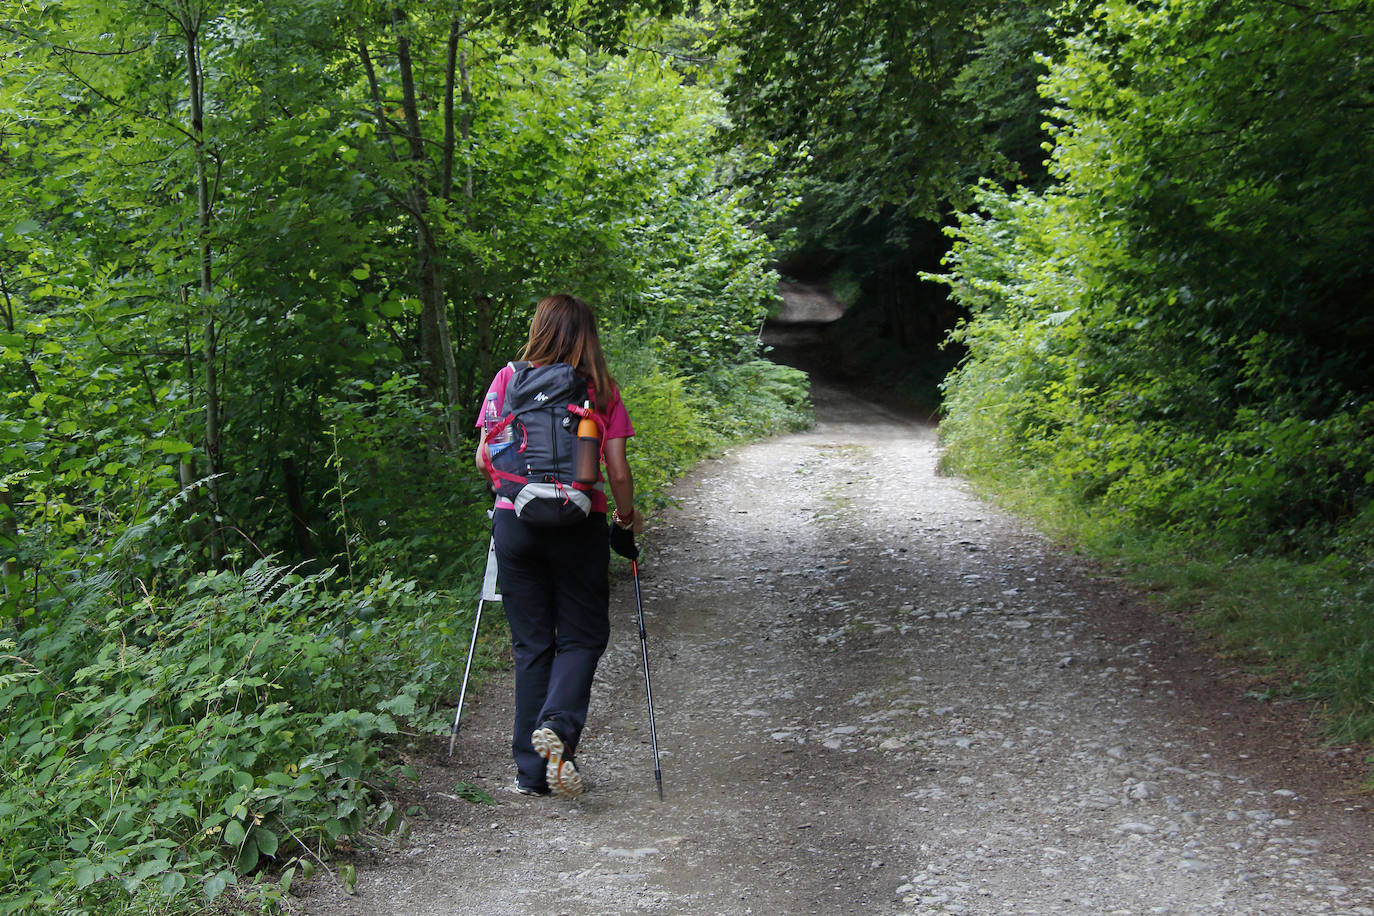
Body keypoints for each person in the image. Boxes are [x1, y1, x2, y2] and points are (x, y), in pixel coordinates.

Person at [474, 293, 644, 798]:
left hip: (516, 522)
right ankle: (559, 729)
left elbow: (485, 459)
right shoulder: (602, 391)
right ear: (587, 335)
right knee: (583, 637)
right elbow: (615, 469)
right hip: (578, 523)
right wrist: (626, 518)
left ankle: (531, 774)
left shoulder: (507, 379)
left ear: (540, 328)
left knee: (531, 646)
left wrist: (515, 492)